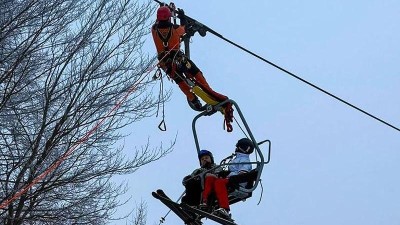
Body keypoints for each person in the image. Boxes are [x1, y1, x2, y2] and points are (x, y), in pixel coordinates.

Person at [151, 6, 231, 112]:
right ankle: (210, 93)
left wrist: (164, 9)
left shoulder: (154, 29)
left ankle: (193, 100)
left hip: (166, 64)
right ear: (169, 18)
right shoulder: (175, 29)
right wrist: (182, 17)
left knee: (180, 81)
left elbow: (159, 22)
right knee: (197, 74)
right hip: (178, 59)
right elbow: (184, 29)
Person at [200, 138, 255, 220]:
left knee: (219, 182)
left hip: (238, 182)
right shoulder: (236, 158)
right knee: (210, 178)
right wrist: (224, 174)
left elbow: (242, 174)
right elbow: (232, 171)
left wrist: (229, 176)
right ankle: (204, 202)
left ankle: (225, 209)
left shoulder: (245, 160)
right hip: (230, 179)